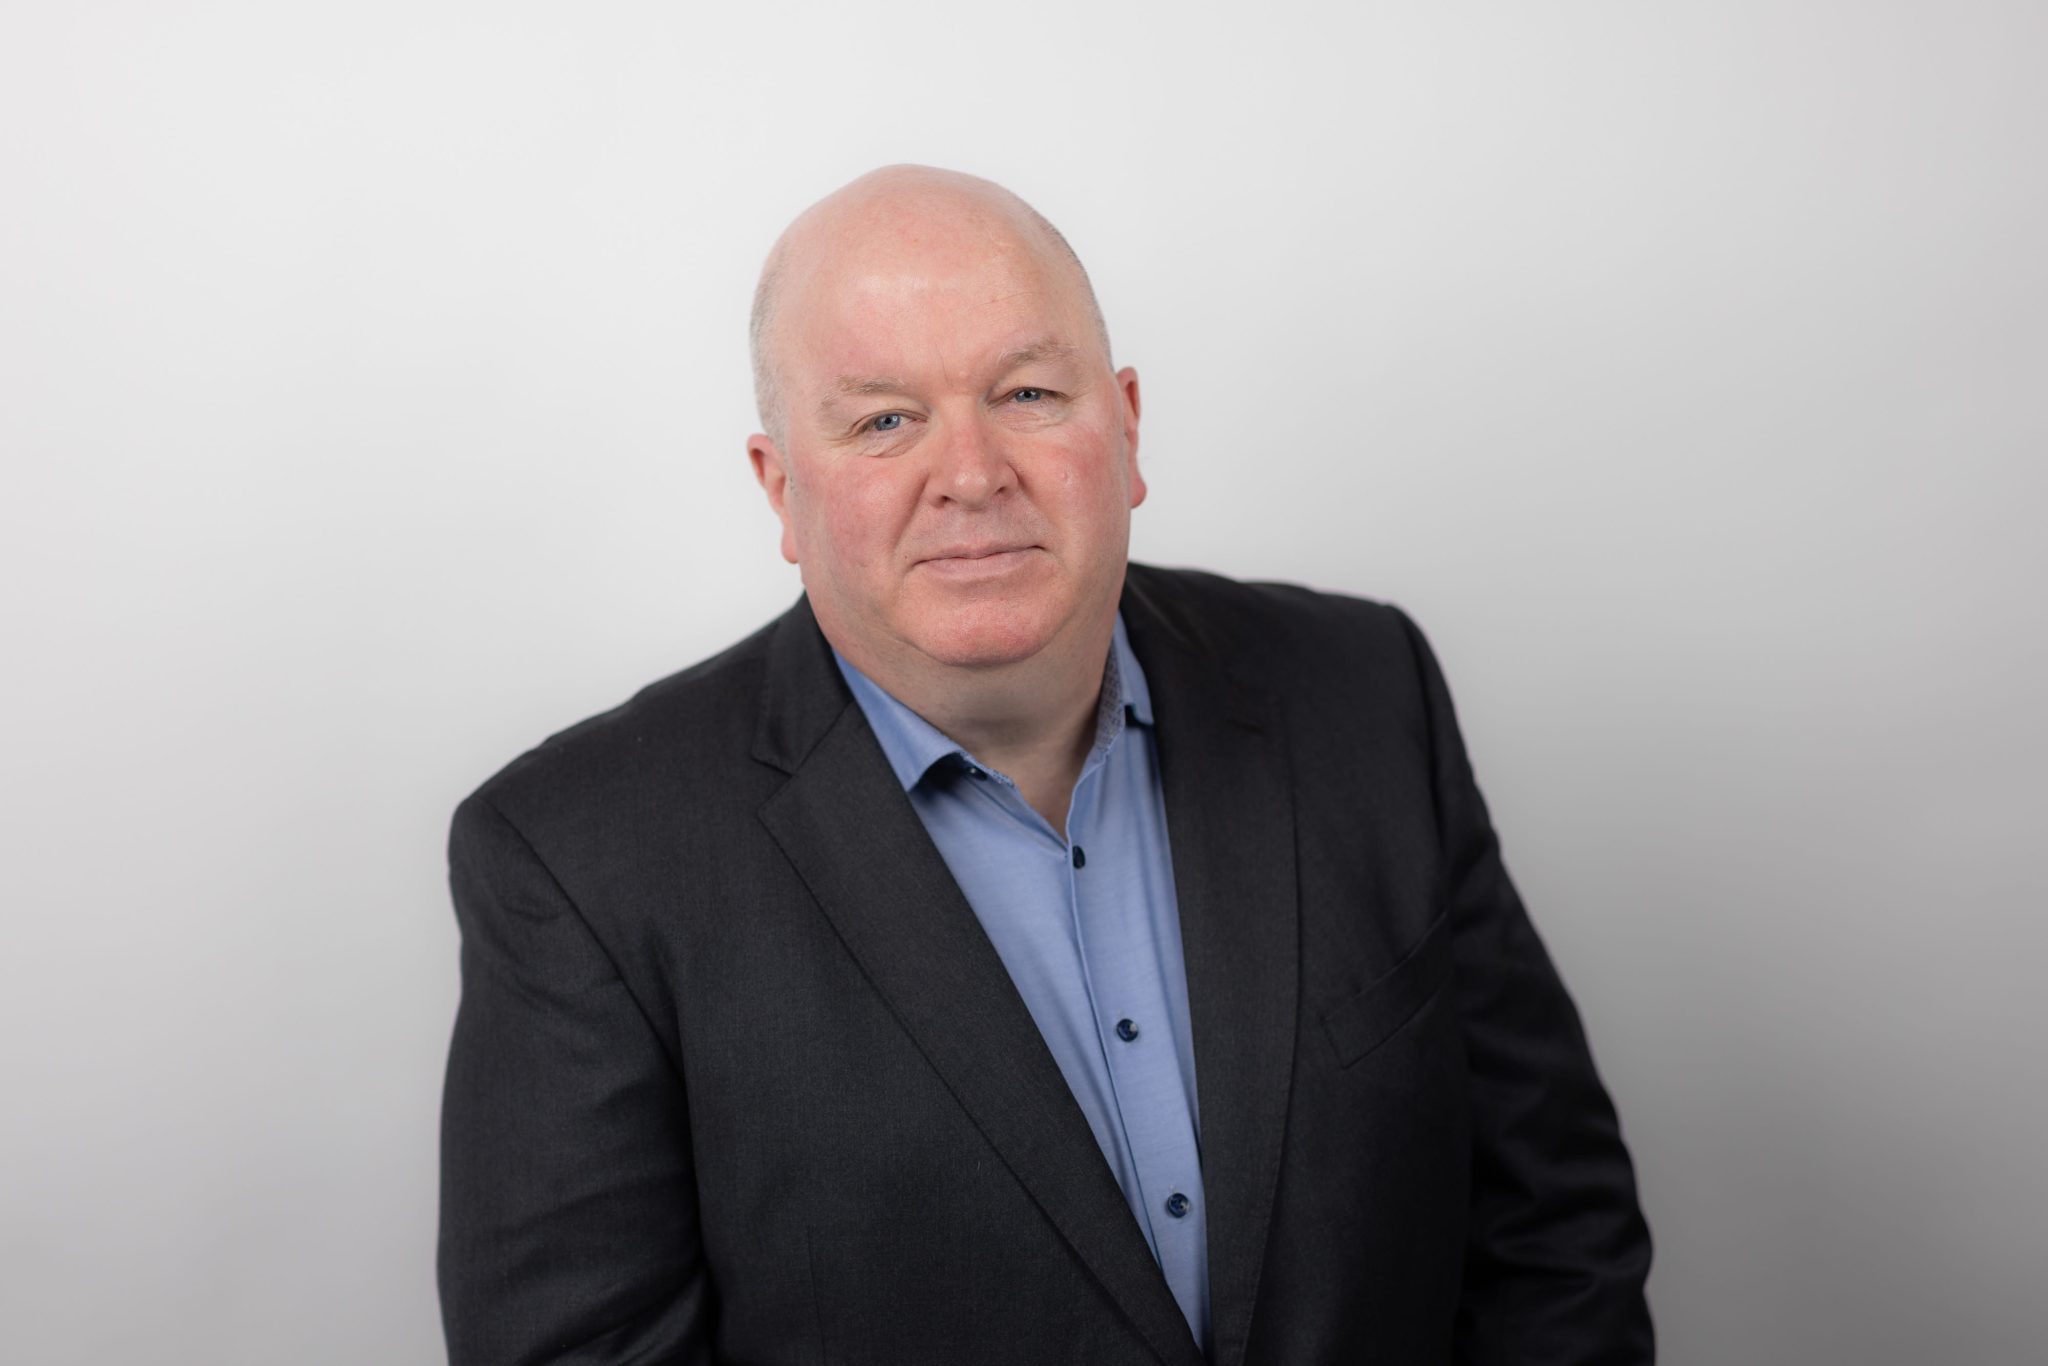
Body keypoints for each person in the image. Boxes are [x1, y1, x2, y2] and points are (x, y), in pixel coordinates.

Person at [437, 164, 1654, 1365]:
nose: (971, 474)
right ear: (782, 494)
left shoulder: (1361, 693)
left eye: (1025, 393)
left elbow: (1554, 1235)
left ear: (1123, 427)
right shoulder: (579, 861)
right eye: (882, 420)